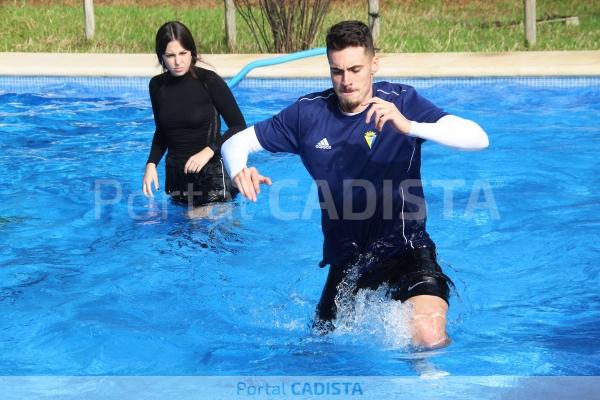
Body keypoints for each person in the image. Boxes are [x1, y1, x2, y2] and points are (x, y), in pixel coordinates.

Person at [221, 20, 489, 349]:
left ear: (374, 65)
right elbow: (235, 144)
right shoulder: (308, 115)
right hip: (348, 262)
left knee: (428, 336)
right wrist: (238, 170)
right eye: (337, 71)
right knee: (318, 350)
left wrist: (411, 127)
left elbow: (478, 138)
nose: (346, 81)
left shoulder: (401, 103)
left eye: (355, 69)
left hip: (405, 248)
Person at [142, 21, 245, 212]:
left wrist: (209, 150)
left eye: (183, 53)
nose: (178, 61)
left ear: (192, 52)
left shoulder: (209, 81)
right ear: (161, 57)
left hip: (211, 176)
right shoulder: (157, 86)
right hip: (177, 178)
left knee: (203, 229)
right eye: (170, 55)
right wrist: (151, 164)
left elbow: (239, 126)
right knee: (179, 236)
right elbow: (162, 131)